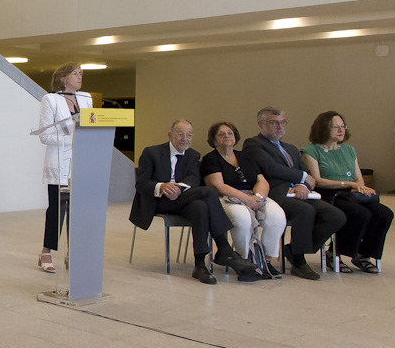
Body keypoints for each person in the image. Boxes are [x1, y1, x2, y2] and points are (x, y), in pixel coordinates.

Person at [130, 119, 263, 284]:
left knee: (199, 207)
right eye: (180, 134)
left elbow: (193, 178)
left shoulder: (193, 155)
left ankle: (200, 265)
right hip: (159, 201)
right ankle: (224, 248)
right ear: (170, 135)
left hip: (182, 198)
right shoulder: (152, 152)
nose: (185, 138)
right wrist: (162, 186)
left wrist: (179, 188)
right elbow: (141, 183)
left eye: (189, 135)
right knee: (209, 192)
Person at [242, 107, 345, 280]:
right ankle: (299, 261)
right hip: (275, 193)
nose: (280, 127)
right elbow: (271, 168)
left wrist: (301, 185)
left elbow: (308, 175)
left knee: (336, 215)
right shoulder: (254, 144)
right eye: (274, 123)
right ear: (261, 124)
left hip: (300, 193)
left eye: (282, 122)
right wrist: (302, 177)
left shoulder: (290, 148)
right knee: (305, 210)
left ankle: (293, 249)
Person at [301, 111, 392, 273]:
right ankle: (334, 254)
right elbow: (317, 180)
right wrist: (348, 183)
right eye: (335, 127)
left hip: (351, 194)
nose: (341, 130)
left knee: (384, 213)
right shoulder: (311, 151)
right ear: (323, 128)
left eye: (343, 126)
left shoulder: (349, 150)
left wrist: (360, 187)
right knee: (359, 213)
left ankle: (364, 254)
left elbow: (358, 178)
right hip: (329, 194)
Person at [200, 121, 287, 274]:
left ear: (235, 137)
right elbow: (218, 186)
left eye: (230, 133)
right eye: (221, 134)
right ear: (213, 140)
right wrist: (246, 199)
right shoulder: (210, 159)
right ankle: (244, 259)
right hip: (227, 198)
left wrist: (258, 197)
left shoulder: (245, 156)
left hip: (253, 195)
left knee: (277, 216)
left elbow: (261, 181)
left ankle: (266, 260)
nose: (227, 136)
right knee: (243, 219)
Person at [34, 62, 92, 273]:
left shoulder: (86, 98)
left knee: (78, 210)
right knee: (57, 210)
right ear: (62, 78)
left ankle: (73, 253)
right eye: (75, 73)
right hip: (59, 163)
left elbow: (90, 127)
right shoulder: (50, 99)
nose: (79, 76)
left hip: (81, 163)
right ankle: (46, 252)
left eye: (81, 73)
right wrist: (71, 137)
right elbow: (44, 135)